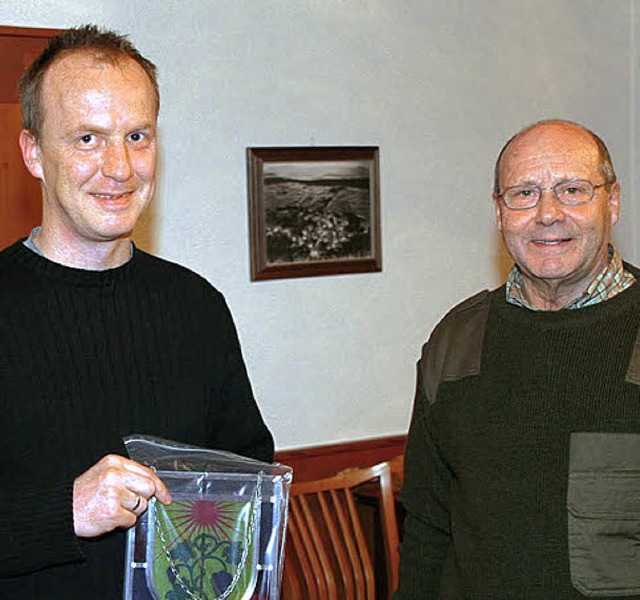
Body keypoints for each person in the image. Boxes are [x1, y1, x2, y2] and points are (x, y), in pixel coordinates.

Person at [0, 25, 274, 599]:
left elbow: (246, 488)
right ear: (33, 153)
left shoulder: (197, 307)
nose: (120, 167)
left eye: (137, 135)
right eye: (87, 139)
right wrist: (64, 511)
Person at [395, 119, 640, 599]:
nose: (548, 214)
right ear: (499, 211)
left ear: (612, 201)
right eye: (524, 193)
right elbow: (426, 528)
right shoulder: (456, 343)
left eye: (572, 190)